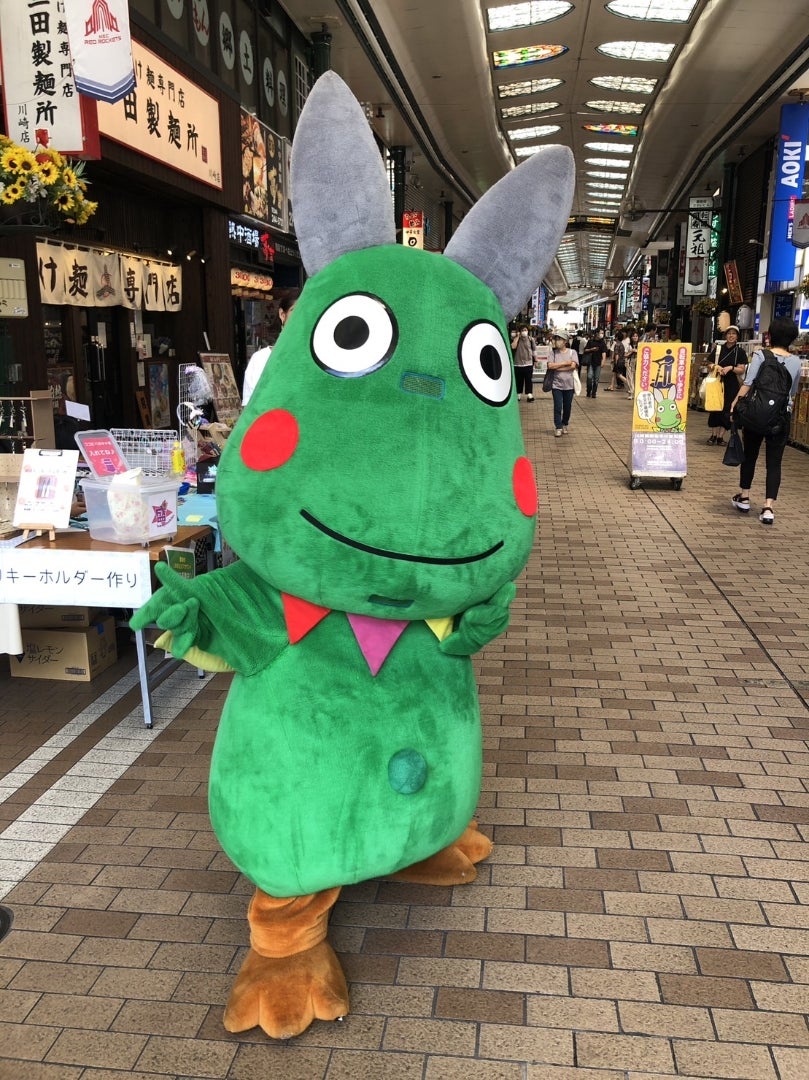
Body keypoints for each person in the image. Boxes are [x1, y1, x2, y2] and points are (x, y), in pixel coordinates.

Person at [729, 317, 803, 525]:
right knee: (774, 463)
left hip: (756, 414)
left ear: (769, 335)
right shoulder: (796, 361)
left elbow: (748, 383)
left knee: (750, 455)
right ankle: (768, 507)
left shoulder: (761, 355)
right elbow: (793, 392)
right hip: (779, 417)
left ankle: (744, 497)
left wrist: (735, 403)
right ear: (792, 338)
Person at [242, 295, 297, 406]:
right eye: (295, 310)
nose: (301, 316)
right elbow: (250, 409)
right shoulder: (260, 360)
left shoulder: (318, 359)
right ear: (282, 315)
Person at [707, 324, 747, 446]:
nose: (731, 336)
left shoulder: (740, 352)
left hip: (731, 384)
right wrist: (715, 366)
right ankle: (713, 434)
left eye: (734, 334)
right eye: (729, 333)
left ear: (737, 337)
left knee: (728, 408)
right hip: (717, 382)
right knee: (715, 407)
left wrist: (731, 368)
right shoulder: (718, 349)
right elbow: (708, 364)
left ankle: (720, 436)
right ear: (725, 335)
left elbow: (742, 369)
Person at [548, 331, 579, 436]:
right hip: (556, 385)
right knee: (557, 406)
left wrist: (558, 367)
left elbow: (573, 366)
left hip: (569, 385)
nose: (557, 341)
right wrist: (565, 363)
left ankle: (565, 423)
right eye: (556, 339)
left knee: (567, 407)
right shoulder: (553, 353)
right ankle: (558, 427)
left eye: (559, 339)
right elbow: (550, 366)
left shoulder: (572, 352)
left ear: (565, 341)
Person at [510, 325, 535, 402]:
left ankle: (529, 395)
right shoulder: (516, 339)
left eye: (525, 330)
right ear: (520, 332)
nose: (524, 331)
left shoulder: (531, 339)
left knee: (528, 380)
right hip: (518, 363)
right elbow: (513, 347)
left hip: (529, 363)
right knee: (519, 380)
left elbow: (534, 350)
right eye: (523, 330)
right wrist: (517, 337)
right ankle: (518, 394)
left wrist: (536, 360)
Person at [581, 329, 607, 397]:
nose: (602, 334)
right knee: (589, 377)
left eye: (603, 333)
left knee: (596, 379)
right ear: (597, 333)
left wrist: (603, 361)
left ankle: (594, 393)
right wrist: (592, 349)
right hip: (591, 362)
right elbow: (585, 350)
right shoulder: (590, 341)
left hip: (598, 363)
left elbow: (604, 352)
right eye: (601, 333)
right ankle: (588, 391)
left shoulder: (602, 343)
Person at [611, 330, 632, 396]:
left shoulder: (617, 345)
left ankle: (630, 384)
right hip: (622, 361)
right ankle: (612, 386)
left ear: (617, 337)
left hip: (619, 361)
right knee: (616, 374)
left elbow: (616, 354)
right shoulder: (622, 344)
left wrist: (616, 362)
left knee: (619, 375)